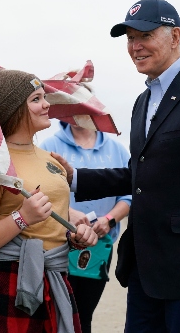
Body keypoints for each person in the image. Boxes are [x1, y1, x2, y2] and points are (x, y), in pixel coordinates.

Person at [51, 0, 180, 333]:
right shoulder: (143, 101)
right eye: (129, 38)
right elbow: (139, 175)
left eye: (146, 35)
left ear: (175, 36)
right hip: (144, 266)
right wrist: (75, 177)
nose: (135, 46)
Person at [0, 66, 98, 333]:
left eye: (44, 97)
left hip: (55, 278)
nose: (47, 105)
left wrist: (74, 236)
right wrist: (21, 218)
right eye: (36, 99)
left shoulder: (52, 161)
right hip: (8, 281)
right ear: (12, 109)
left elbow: (50, 225)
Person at [40, 120, 132, 333]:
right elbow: (38, 190)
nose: (76, 115)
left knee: (83, 313)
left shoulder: (116, 149)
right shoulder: (50, 146)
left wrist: (109, 219)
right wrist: (69, 213)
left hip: (99, 246)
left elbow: (128, 195)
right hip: (58, 245)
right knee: (55, 310)